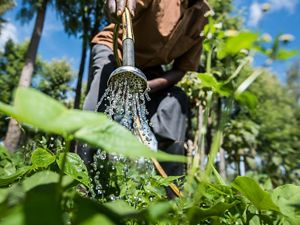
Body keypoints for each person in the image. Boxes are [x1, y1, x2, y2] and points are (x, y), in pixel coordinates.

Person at [79, 0, 211, 179]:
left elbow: (181, 69)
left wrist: (146, 87)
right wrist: (117, 5)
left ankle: (170, 197)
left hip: (150, 73)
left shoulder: (204, 18)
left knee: (176, 101)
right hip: (114, 50)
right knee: (99, 104)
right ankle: (79, 183)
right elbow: (124, 4)